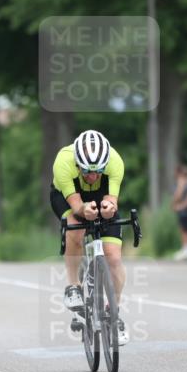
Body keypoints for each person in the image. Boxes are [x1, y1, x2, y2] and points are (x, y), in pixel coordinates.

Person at [49, 130, 128, 345]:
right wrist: (85, 210)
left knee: (113, 257)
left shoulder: (115, 162)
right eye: (86, 171)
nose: (92, 176)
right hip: (68, 197)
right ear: (77, 164)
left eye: (98, 171)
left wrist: (109, 208)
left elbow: (112, 200)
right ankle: (73, 285)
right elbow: (76, 205)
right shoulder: (63, 162)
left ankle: (115, 314)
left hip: (99, 195)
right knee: (75, 227)